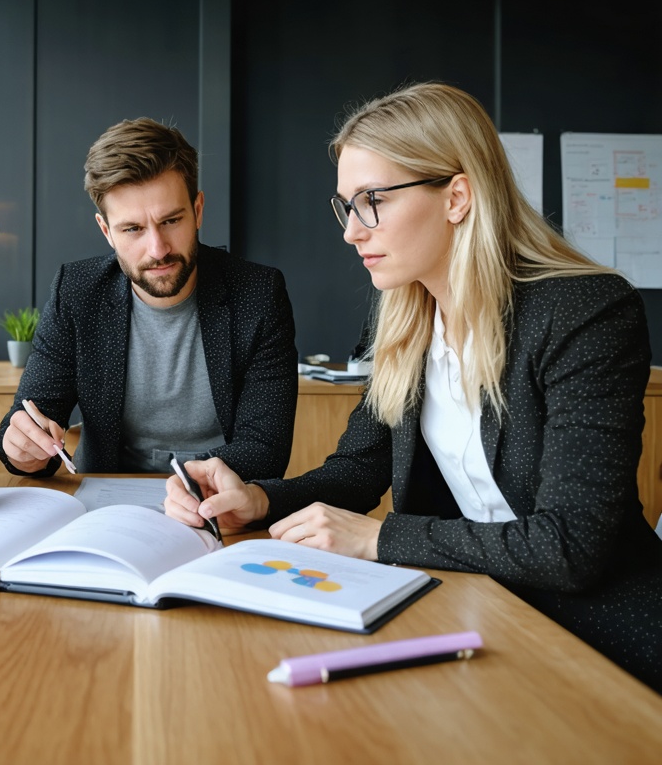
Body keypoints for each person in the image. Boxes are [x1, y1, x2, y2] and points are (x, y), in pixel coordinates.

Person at [165, 82, 662, 692]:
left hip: (604, 636)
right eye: (346, 205)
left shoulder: (584, 312)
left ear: (457, 196)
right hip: (475, 611)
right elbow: (356, 470)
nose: (352, 231)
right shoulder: (405, 319)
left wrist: (378, 538)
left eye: (372, 200)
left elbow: (571, 545)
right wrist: (260, 501)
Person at [0, 117, 297, 479]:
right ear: (106, 231)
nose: (158, 249)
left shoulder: (258, 293)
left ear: (198, 211)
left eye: (171, 221)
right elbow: (30, 416)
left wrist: (186, 489)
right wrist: (22, 451)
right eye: (133, 229)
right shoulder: (77, 292)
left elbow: (265, 448)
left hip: (221, 501)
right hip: (108, 501)